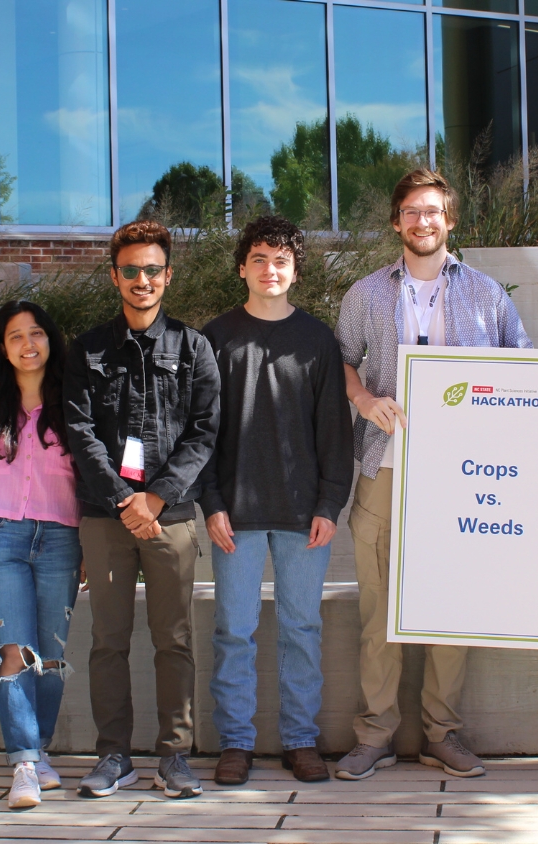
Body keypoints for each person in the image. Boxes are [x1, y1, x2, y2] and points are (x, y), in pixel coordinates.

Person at [335, 168, 532, 781]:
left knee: (453, 605)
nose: (424, 221)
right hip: (384, 470)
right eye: (412, 212)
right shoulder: (365, 294)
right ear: (397, 222)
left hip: (464, 475)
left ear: (450, 221)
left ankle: (442, 733)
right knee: (380, 611)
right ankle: (375, 736)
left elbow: (523, 368)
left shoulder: (487, 293)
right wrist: (366, 402)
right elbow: (339, 364)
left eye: (434, 211)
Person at [64, 220, 221, 800]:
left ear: (167, 275)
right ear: (114, 276)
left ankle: (174, 755)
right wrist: (124, 500)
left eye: (152, 269)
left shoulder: (194, 347)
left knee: (174, 638)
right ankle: (114, 755)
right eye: (130, 270)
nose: (142, 280)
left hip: (171, 516)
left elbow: (205, 432)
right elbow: (79, 432)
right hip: (107, 519)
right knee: (108, 639)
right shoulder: (87, 351)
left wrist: (156, 497)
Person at [200, 216, 354, 786]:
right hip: (233, 514)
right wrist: (211, 501)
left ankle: (299, 740)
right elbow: (203, 430)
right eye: (260, 259)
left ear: (295, 271)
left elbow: (334, 432)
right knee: (234, 629)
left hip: (302, 514)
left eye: (281, 261)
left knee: (301, 627)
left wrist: (328, 504)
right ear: (243, 267)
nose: (271, 270)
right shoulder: (214, 339)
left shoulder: (317, 340)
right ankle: (236, 742)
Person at [0, 301, 82, 808]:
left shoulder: (74, 402)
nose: (27, 343)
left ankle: (38, 750)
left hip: (62, 537)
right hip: (1, 537)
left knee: (52, 653)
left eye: (36, 332)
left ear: (50, 340)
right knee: (12, 650)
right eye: (15, 336)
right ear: (3, 347)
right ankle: (23, 764)